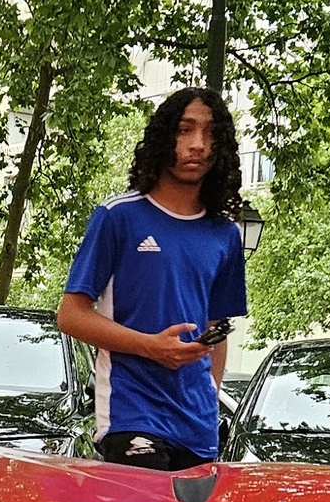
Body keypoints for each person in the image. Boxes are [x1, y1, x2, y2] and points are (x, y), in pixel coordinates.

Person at [56, 88, 248, 469]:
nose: (198, 144)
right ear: (164, 138)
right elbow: (71, 315)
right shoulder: (117, 217)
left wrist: (211, 395)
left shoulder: (225, 234)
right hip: (132, 414)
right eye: (185, 130)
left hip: (198, 424)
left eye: (210, 134)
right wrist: (150, 346)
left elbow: (217, 328)